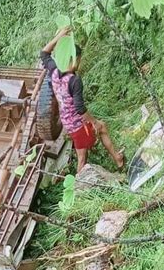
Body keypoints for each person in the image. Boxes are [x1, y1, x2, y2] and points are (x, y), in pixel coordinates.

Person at [41, 26, 124, 173]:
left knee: (89, 144)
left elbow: (44, 53)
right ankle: (81, 187)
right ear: (73, 58)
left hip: (66, 121)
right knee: (83, 157)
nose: (79, 63)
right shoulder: (74, 80)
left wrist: (59, 36)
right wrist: (94, 122)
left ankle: (117, 158)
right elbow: (80, 108)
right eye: (78, 59)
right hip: (77, 124)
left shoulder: (54, 69)